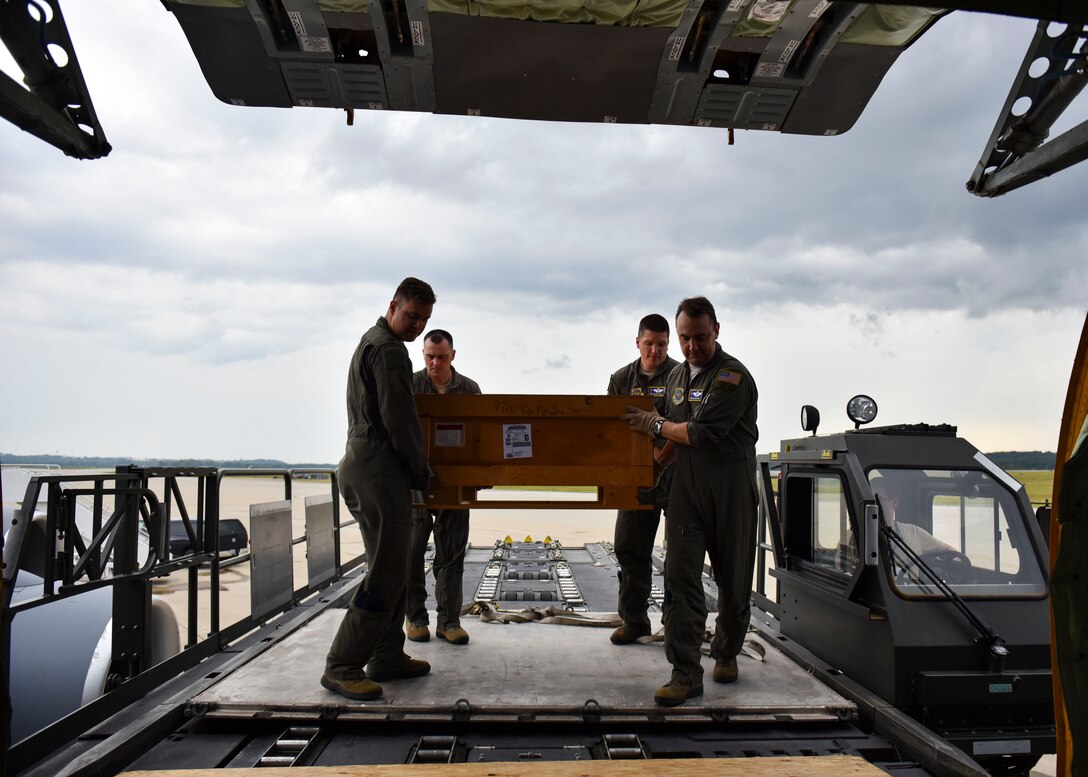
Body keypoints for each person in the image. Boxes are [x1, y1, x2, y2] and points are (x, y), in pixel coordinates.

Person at [622, 296, 758, 707]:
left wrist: (654, 423)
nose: (692, 346)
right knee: (680, 579)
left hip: (730, 490)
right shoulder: (678, 378)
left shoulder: (732, 377)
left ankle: (727, 651)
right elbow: (676, 442)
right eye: (685, 338)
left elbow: (697, 434)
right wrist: (658, 467)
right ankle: (685, 673)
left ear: (716, 330)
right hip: (687, 491)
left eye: (700, 337)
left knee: (733, 582)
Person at [321, 277, 437, 702]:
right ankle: (343, 664)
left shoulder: (372, 341)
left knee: (394, 564)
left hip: (367, 463)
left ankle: (386, 655)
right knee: (387, 570)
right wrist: (421, 468)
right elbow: (399, 418)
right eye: (412, 316)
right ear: (393, 306)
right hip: (380, 466)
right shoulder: (388, 350)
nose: (417, 326)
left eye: (424, 319)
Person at [606, 314, 679, 645]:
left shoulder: (681, 376)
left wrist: (658, 458)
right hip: (635, 477)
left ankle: (675, 623)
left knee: (680, 552)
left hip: (676, 474)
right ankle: (634, 620)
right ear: (638, 342)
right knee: (628, 547)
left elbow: (682, 427)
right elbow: (611, 427)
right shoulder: (621, 378)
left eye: (662, 344)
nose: (655, 350)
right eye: (649, 343)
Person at [405, 329, 482, 646]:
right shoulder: (409, 384)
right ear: (423, 355)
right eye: (429, 356)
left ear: (453, 355)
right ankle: (416, 619)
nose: (435, 362)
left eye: (441, 356)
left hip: (455, 483)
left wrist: (478, 479)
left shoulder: (469, 389)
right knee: (410, 554)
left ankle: (449, 622)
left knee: (451, 556)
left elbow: (481, 437)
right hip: (415, 483)